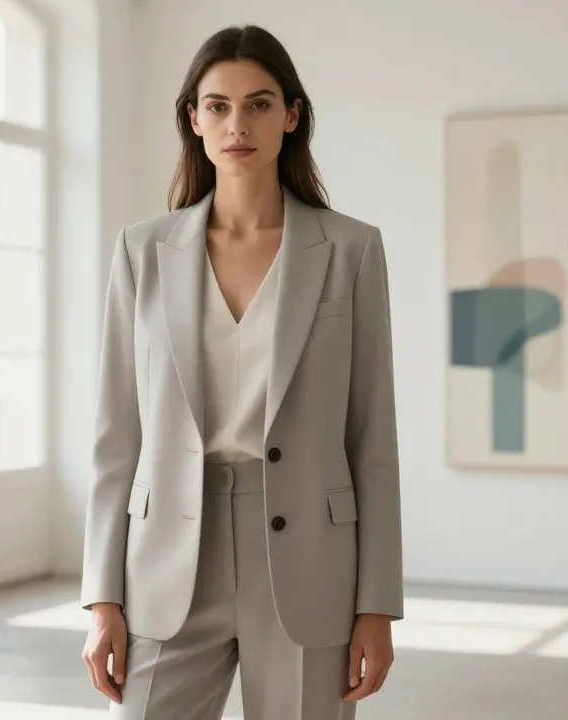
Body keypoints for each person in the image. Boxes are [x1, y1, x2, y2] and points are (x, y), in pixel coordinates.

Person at [80, 24, 403, 720]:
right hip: (167, 554)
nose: (237, 124)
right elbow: (116, 436)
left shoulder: (350, 250)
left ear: (291, 116)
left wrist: (377, 605)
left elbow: (372, 442)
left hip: (309, 562)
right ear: (193, 120)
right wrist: (102, 597)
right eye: (218, 106)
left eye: (259, 104)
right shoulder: (143, 252)